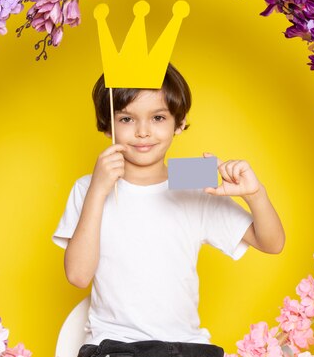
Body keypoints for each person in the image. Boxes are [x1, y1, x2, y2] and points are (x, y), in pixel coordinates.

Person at [53, 63, 285, 357]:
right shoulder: (88, 187)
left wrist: (255, 195)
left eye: (158, 117)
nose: (142, 132)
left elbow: (272, 243)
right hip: (116, 346)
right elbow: (78, 276)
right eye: (126, 118)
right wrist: (98, 190)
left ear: (179, 122)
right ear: (108, 124)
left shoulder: (190, 177)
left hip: (187, 346)